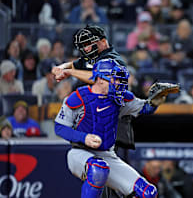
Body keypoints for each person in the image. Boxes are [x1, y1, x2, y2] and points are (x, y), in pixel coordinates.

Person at [54, 59, 161, 198]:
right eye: (114, 79)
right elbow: (60, 127)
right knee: (98, 170)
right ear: (100, 80)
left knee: (148, 193)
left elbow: (146, 108)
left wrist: (157, 99)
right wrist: (84, 137)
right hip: (80, 152)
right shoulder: (78, 97)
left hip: (107, 155)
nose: (118, 83)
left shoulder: (120, 98)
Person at [52, 24, 126, 84]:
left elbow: (100, 78)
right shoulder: (93, 56)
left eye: (89, 44)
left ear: (103, 42)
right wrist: (60, 68)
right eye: (84, 46)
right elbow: (73, 64)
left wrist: (70, 72)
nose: (86, 49)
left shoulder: (112, 58)